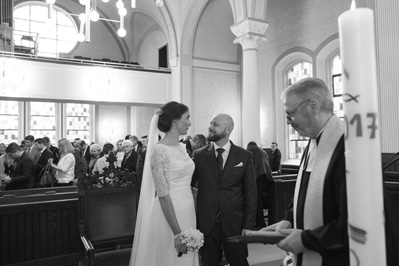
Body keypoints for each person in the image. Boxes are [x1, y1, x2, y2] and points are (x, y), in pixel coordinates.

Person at [261, 78, 348, 266]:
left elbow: (353, 222)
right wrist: (289, 220)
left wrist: (305, 240)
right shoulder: (313, 143)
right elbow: (306, 193)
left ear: (313, 106)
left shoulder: (347, 148)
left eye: (290, 114)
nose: (288, 122)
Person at [130, 101, 198, 266]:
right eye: (186, 118)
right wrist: (176, 233)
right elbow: (163, 194)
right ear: (175, 121)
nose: (189, 123)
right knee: (170, 258)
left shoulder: (182, 147)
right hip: (169, 212)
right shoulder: (159, 150)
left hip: (187, 209)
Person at [191, 114, 257, 266]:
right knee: (209, 262)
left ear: (228, 130)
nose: (210, 127)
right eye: (210, 124)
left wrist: (248, 226)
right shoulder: (199, 155)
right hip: (207, 223)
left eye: (215, 124)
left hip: (234, 222)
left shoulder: (244, 156)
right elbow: (187, 184)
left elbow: (251, 194)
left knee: (239, 261)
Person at [246, 141, 272, 229]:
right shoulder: (263, 151)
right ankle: (261, 222)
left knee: (255, 200)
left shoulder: (249, 150)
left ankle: (259, 222)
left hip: (256, 177)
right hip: (266, 177)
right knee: (259, 199)